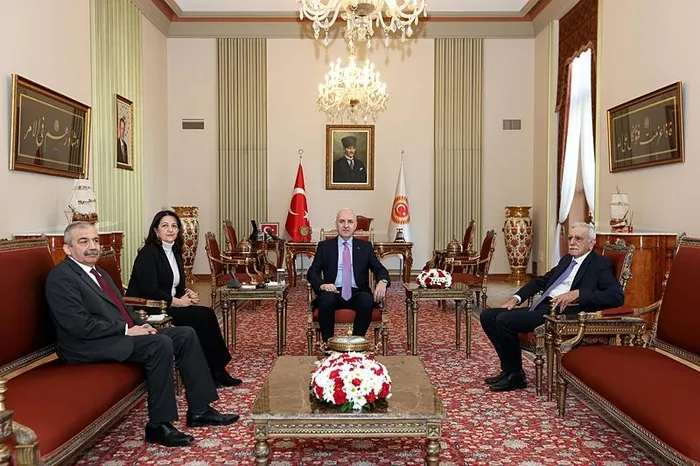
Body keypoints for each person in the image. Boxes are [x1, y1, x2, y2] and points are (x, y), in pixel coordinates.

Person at [45, 222, 239, 448]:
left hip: (115, 335)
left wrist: (142, 325)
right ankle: (158, 425)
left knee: (185, 334)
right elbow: (78, 325)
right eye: (84, 241)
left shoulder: (99, 273)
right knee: (159, 344)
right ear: (67, 249)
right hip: (85, 345)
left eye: (95, 240)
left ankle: (200, 409)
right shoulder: (62, 278)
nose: (93, 246)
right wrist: (126, 330)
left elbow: (124, 308)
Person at [479, 222, 624, 392]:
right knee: (488, 316)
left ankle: (515, 375)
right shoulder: (566, 260)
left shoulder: (599, 264)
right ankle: (509, 371)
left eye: (578, 239)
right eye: (570, 238)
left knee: (505, 320)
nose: (572, 242)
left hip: (563, 314)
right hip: (544, 307)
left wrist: (578, 294)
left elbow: (616, 296)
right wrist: (517, 298)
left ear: (591, 242)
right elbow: (542, 281)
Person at [126, 210, 241, 388]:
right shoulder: (147, 254)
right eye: (165, 226)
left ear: (179, 230)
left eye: (174, 226)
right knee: (201, 317)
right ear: (156, 230)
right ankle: (215, 370)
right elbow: (151, 290)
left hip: (169, 303)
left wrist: (187, 293)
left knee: (206, 314)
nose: (170, 230)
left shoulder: (174, 251)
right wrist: (179, 302)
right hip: (151, 307)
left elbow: (175, 284)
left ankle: (215, 369)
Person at [307, 208, 389, 341]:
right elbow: (312, 272)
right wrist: (322, 285)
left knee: (367, 300)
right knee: (325, 299)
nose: (346, 225)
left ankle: (356, 343)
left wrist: (382, 282)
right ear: (336, 224)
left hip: (357, 292)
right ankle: (329, 345)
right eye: (342, 221)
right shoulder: (325, 246)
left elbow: (380, 269)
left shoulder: (365, 247)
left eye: (350, 222)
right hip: (333, 291)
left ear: (355, 225)